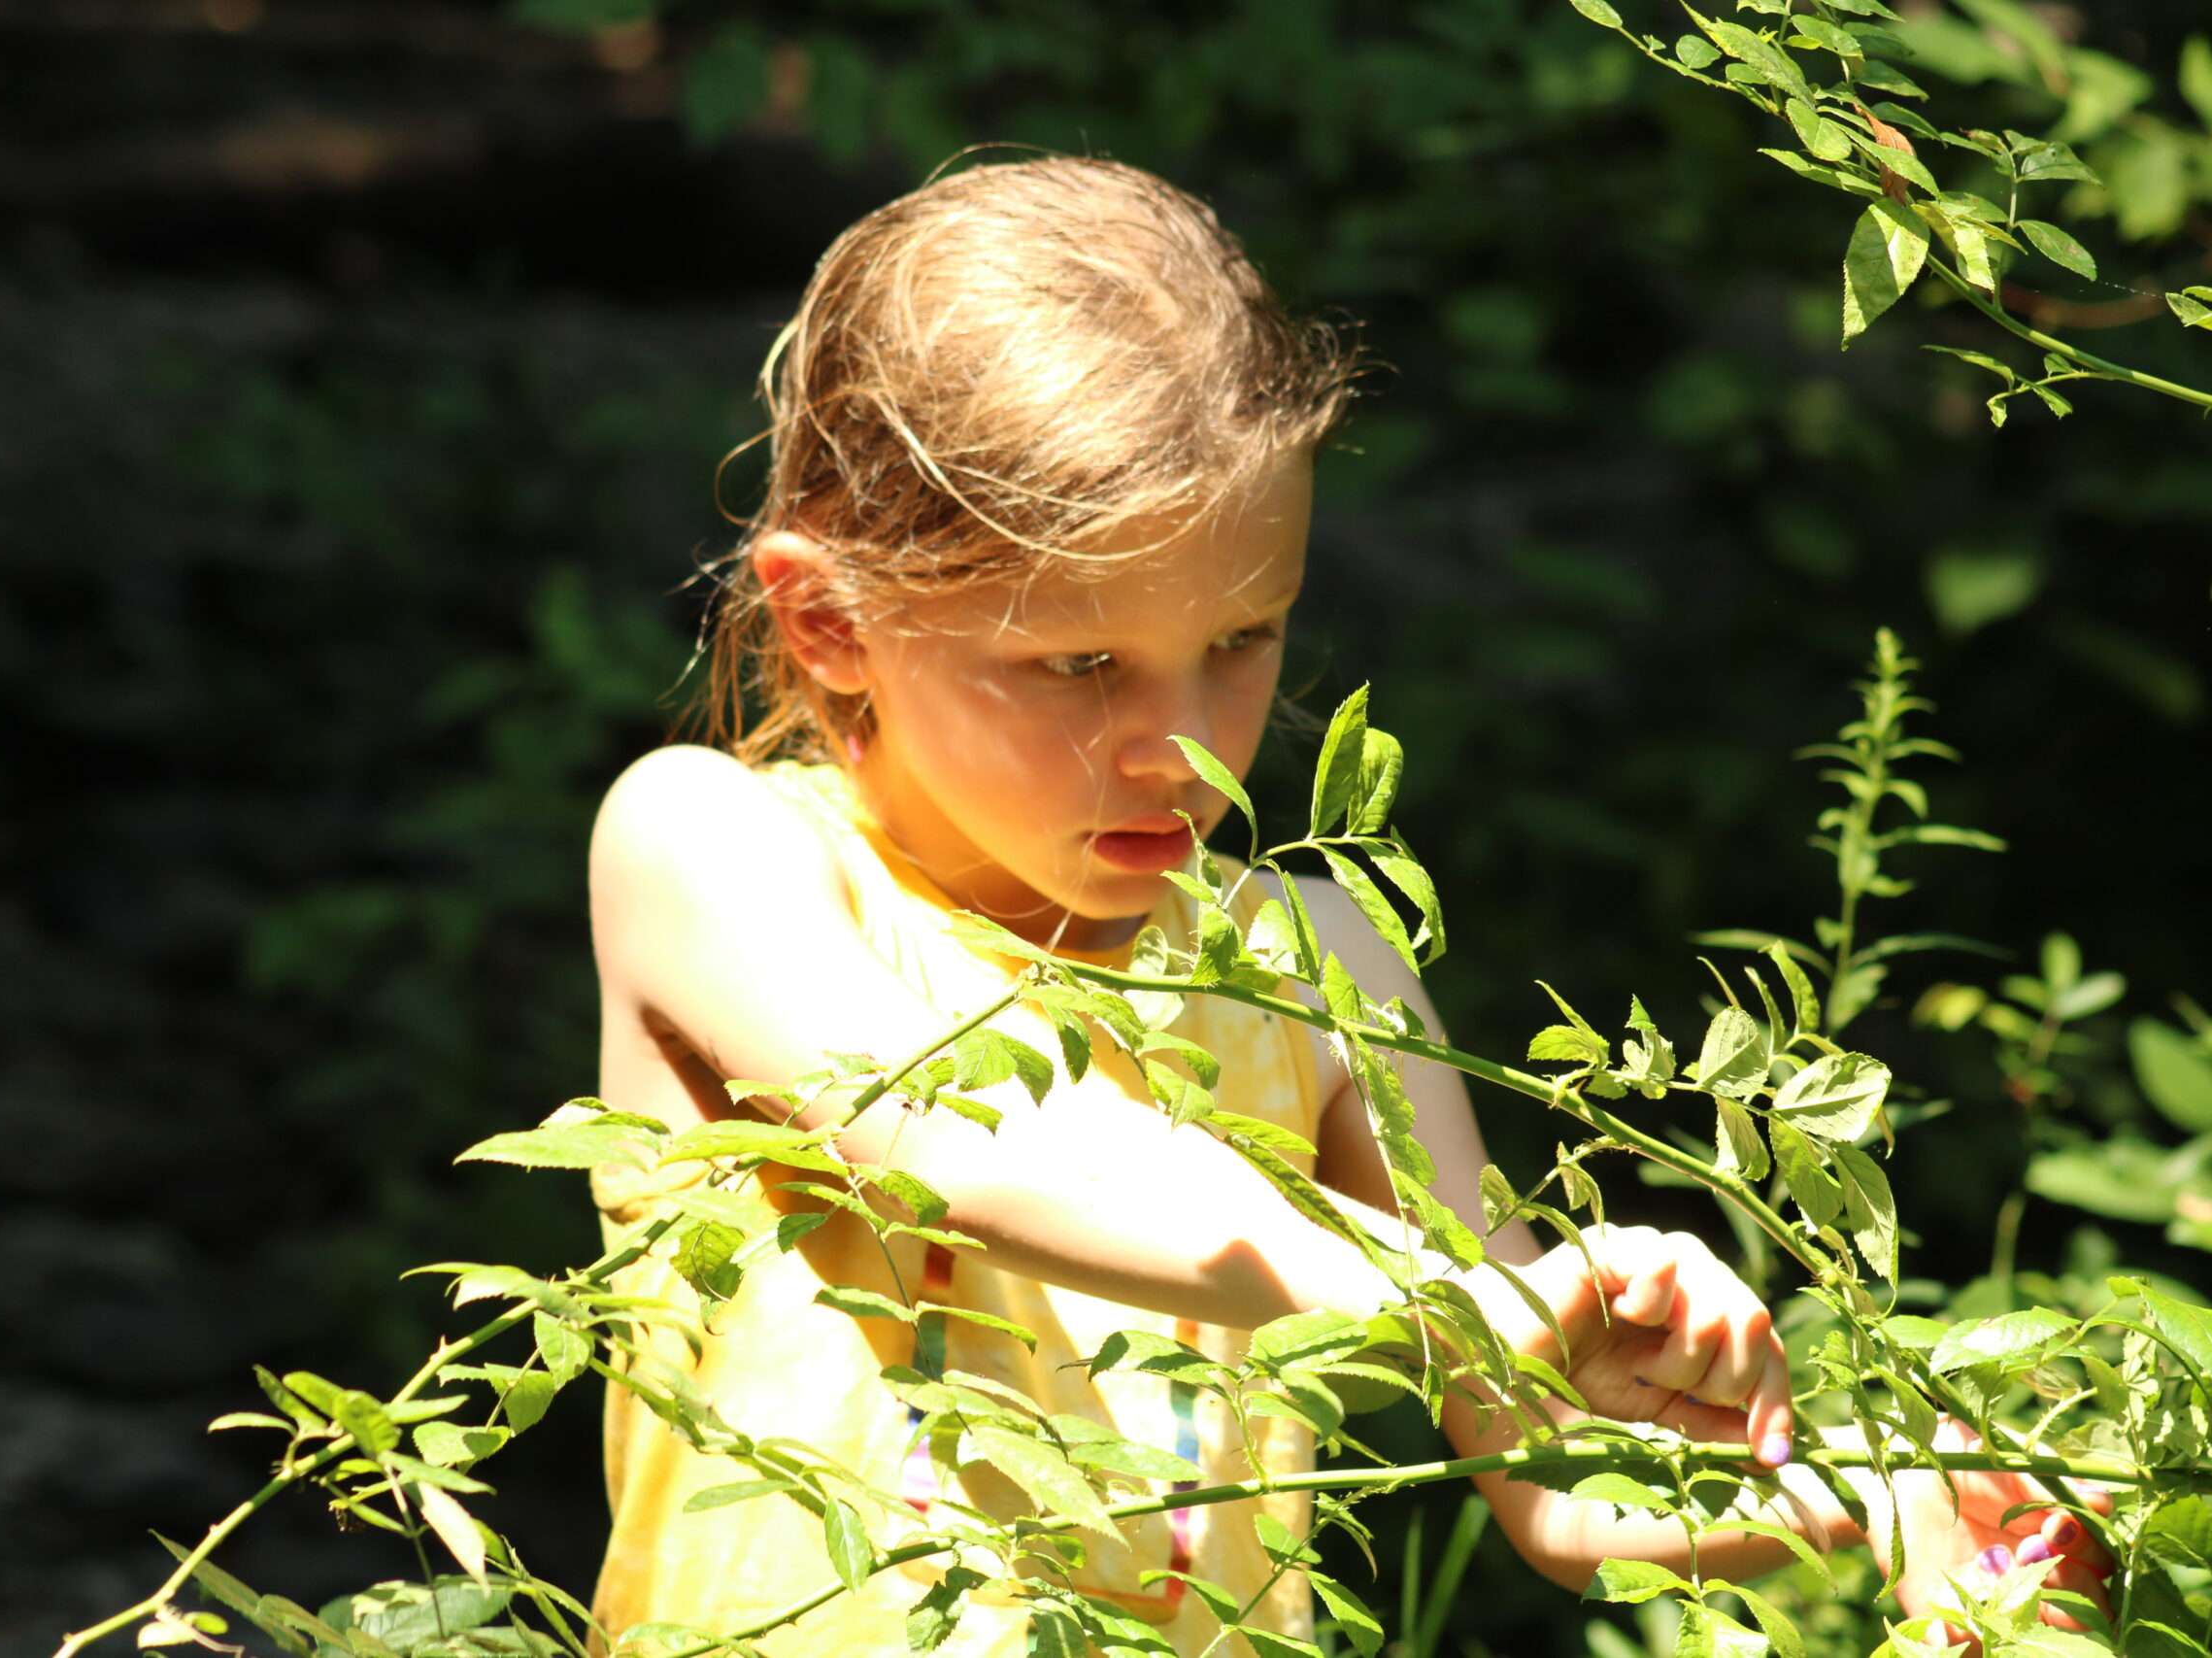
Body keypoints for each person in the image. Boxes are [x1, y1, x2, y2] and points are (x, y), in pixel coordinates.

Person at [582, 154, 2111, 1655]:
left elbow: (1554, 1475)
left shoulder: (1312, 960)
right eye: (1081, 664)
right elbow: (966, 1148)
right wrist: (1461, 1298)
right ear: (828, 618)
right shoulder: (713, 848)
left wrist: (1873, 1486)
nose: (1183, 745)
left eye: (1242, 640)